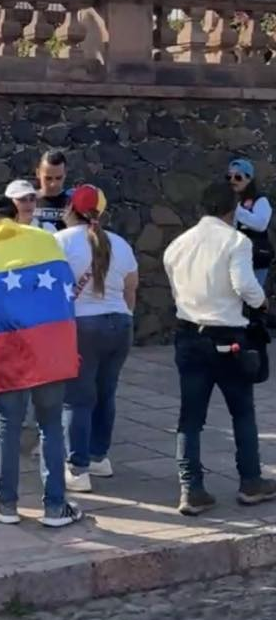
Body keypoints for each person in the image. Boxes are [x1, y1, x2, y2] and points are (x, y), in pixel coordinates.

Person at [0, 194, 82, 528]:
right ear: (18, 216)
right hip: (48, 350)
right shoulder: (46, 242)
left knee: (7, 428)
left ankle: (7, 504)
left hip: (6, 354)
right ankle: (56, 506)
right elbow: (65, 299)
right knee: (51, 426)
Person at [163, 179, 276, 517]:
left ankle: (192, 488)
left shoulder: (177, 245)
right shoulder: (236, 241)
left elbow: (175, 288)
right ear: (233, 209)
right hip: (228, 336)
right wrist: (262, 302)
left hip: (189, 334)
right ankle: (251, 481)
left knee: (190, 418)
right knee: (241, 410)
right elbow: (245, 285)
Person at [55, 185, 138, 492]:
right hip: (119, 324)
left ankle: (77, 469)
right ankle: (99, 457)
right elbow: (132, 289)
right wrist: (123, 315)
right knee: (106, 393)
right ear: (101, 212)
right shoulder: (121, 244)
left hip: (82, 325)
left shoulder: (60, 241)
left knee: (76, 398)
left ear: (69, 209)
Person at [228, 158, 273, 291]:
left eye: (237, 177)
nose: (232, 180)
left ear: (249, 178)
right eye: (229, 177)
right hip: (236, 257)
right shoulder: (230, 199)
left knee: (252, 296)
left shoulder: (260, 200)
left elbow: (261, 224)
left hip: (255, 257)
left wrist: (237, 212)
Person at [33, 149, 72, 233]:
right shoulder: (27, 201)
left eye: (58, 178)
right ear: (38, 173)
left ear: (65, 173)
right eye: (48, 178)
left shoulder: (72, 203)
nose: (53, 184)